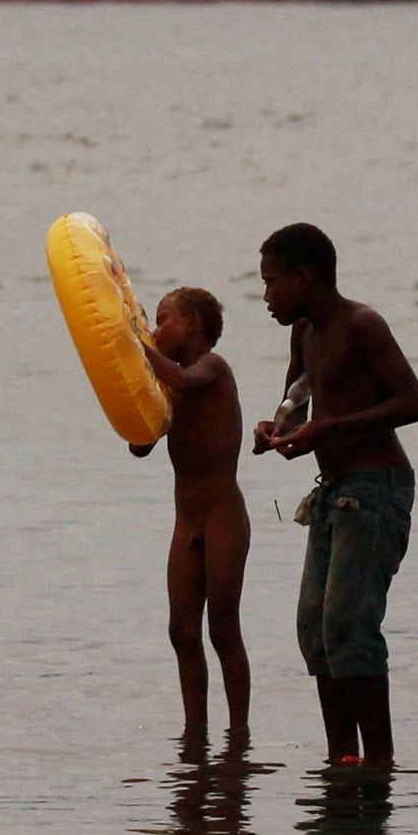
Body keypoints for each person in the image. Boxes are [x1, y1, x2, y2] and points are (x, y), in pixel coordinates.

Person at [251, 221, 418, 767]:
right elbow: (296, 401)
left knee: (350, 624)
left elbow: (413, 403)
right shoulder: (302, 333)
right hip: (335, 491)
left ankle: (379, 760)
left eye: (272, 282)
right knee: (316, 628)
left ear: (305, 278)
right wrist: (278, 430)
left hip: (376, 488)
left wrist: (331, 428)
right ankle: (341, 757)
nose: (266, 297)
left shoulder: (361, 325)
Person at [136, 285, 251, 740]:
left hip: (223, 516)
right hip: (186, 521)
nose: (156, 329)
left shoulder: (211, 370)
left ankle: (238, 732)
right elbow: (140, 446)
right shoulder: (168, 386)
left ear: (193, 324)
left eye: (163, 319)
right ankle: (195, 731)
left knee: (222, 627)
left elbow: (186, 381)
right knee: (182, 630)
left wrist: (135, 347)